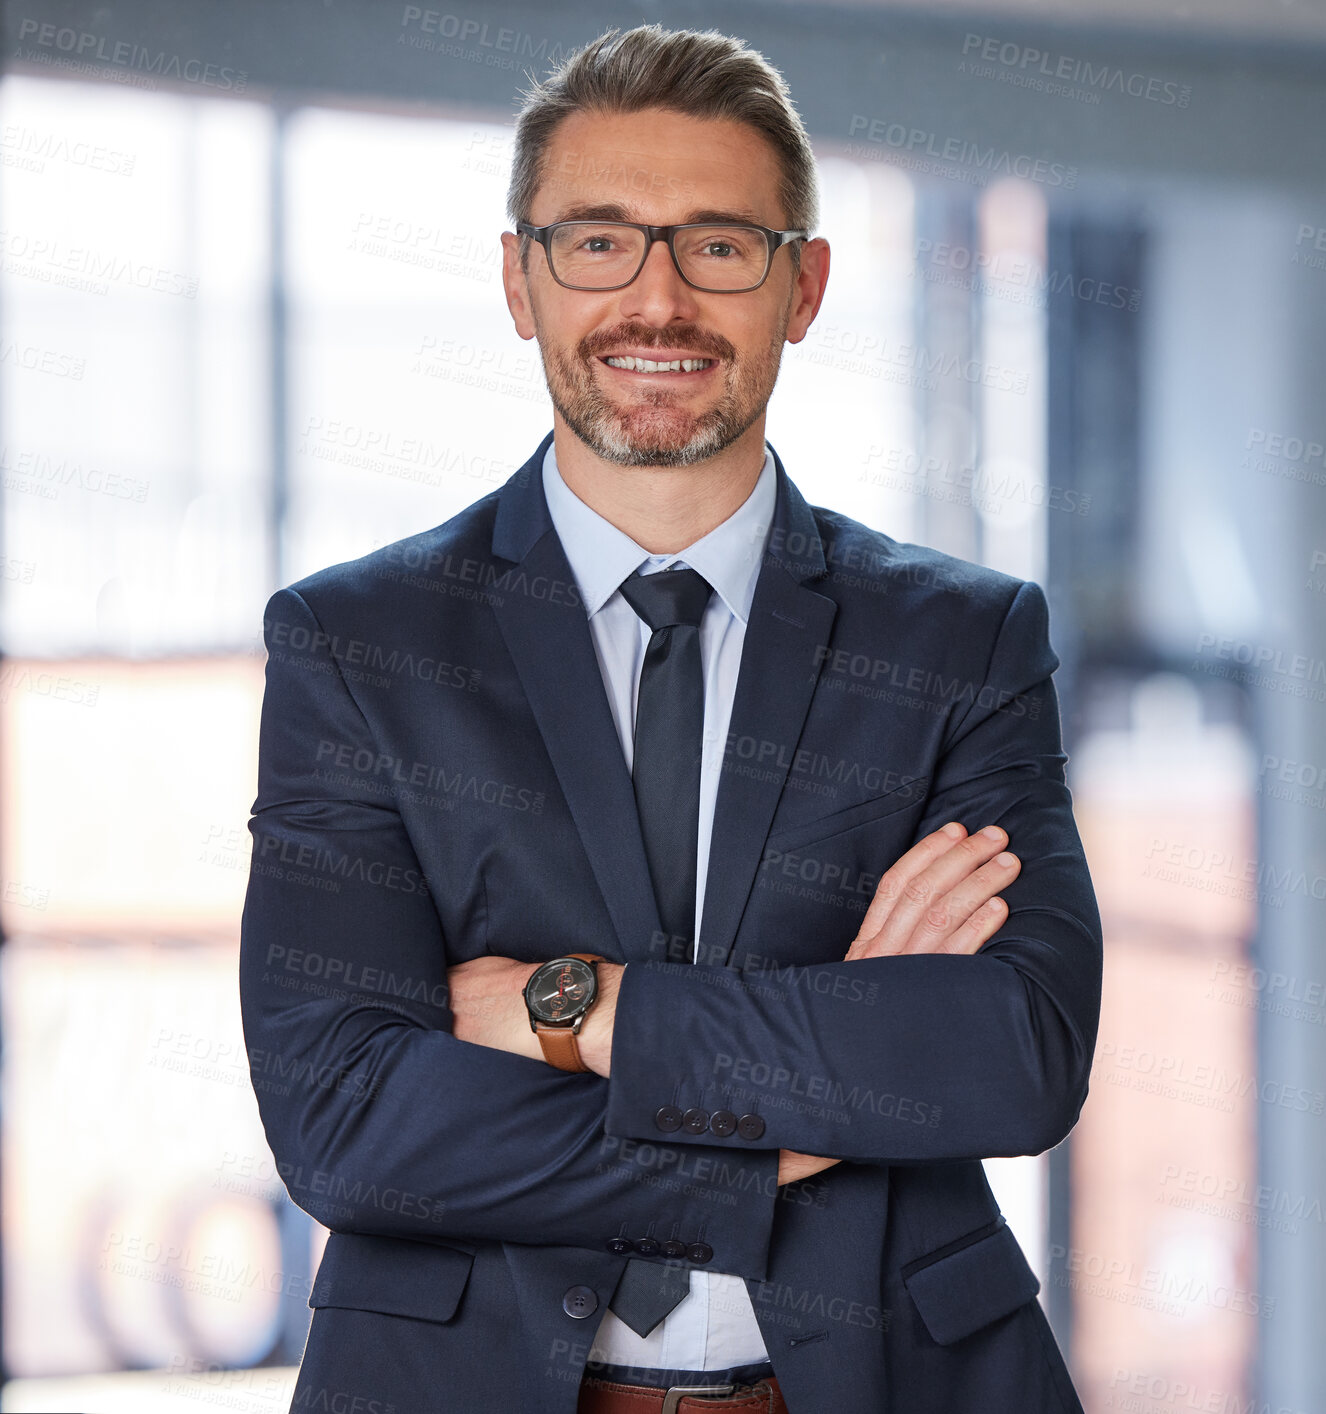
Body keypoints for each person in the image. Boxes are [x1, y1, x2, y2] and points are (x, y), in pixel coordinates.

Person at [239, 23, 1102, 1414]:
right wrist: (799, 1114)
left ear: (801, 284)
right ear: (520, 280)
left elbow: (1011, 1055)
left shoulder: (958, 639)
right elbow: (347, 1119)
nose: (657, 300)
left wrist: (570, 1011)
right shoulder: (358, 644)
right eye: (596, 243)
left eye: (717, 243)